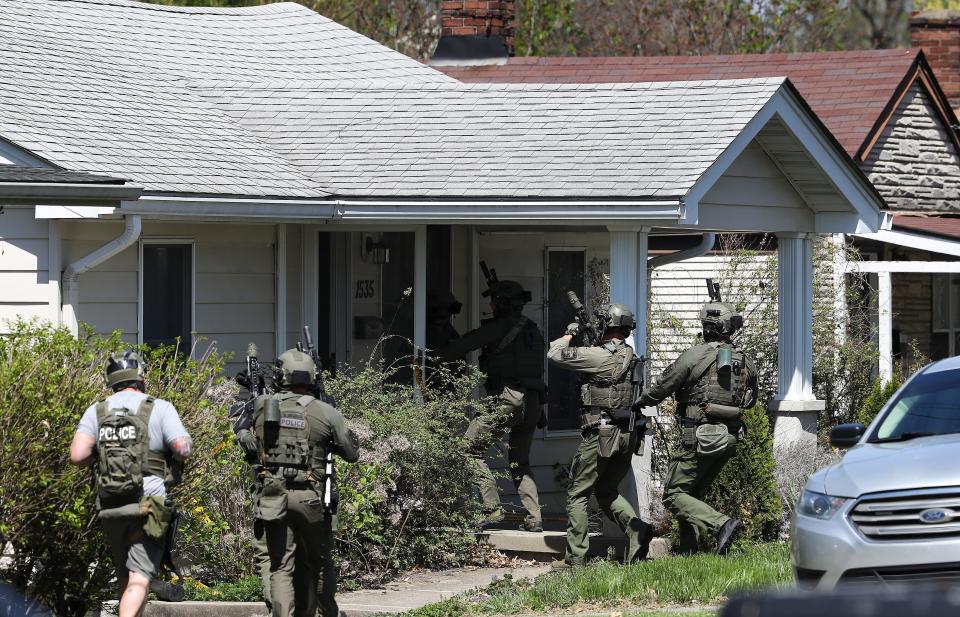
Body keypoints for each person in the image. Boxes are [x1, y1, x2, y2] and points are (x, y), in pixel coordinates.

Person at [69, 351, 193, 617]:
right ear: (141, 377)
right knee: (140, 577)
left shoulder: (98, 410)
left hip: (110, 505)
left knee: (125, 577)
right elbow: (182, 449)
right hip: (148, 504)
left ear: (110, 380)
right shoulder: (159, 407)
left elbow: (77, 456)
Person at [635, 300, 758, 555]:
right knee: (691, 493)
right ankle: (690, 552)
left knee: (673, 494)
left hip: (699, 436)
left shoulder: (696, 354)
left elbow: (663, 386)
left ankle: (722, 524)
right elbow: (751, 398)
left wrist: (640, 401)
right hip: (730, 437)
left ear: (709, 328)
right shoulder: (745, 361)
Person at [248, 349, 360, 617]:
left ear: (280, 376)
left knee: (281, 566)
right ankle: (328, 613)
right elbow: (351, 454)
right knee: (319, 563)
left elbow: (248, 433)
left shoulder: (263, 405)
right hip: (311, 497)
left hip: (274, 495)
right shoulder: (325, 411)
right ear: (312, 376)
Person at [547, 304, 654, 568]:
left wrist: (569, 334)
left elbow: (555, 354)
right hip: (628, 434)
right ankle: (637, 529)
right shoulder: (632, 356)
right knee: (606, 490)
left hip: (601, 434)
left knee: (577, 494)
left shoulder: (598, 356)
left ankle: (575, 558)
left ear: (607, 325)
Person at [441, 280, 546, 533]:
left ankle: (492, 510)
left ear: (502, 303)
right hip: (533, 403)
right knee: (520, 461)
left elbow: (459, 348)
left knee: (468, 449)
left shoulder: (501, 326)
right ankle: (534, 518)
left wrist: (429, 350)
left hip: (508, 400)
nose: (490, 305)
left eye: (494, 300)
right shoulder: (532, 329)